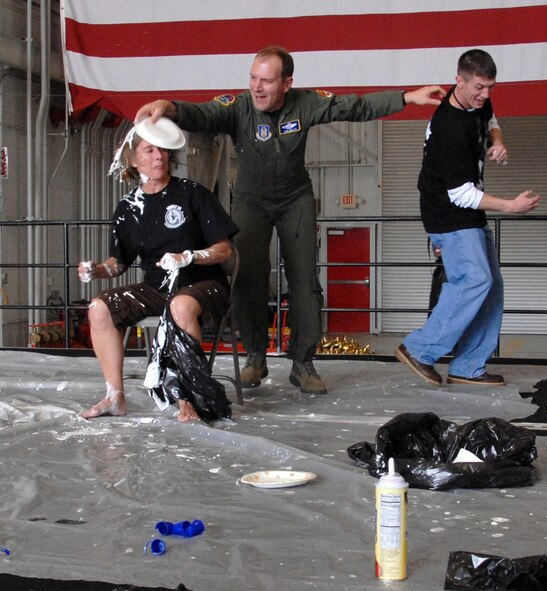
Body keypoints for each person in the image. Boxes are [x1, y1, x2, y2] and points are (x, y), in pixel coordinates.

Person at [135, 46, 446, 395]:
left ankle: (303, 363)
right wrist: (170, 108)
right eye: (253, 78)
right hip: (250, 201)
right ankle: (255, 357)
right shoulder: (238, 108)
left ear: (287, 83)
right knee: (248, 275)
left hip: (295, 198)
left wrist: (406, 97)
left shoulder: (307, 103)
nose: (257, 87)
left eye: (266, 81)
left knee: (304, 278)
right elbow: (203, 115)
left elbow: (355, 106)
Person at [395, 49, 540, 387]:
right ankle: (420, 349)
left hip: (467, 213)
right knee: (474, 280)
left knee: (491, 286)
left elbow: (490, 120)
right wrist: (510, 206)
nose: (485, 94)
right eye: (478, 87)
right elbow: (460, 194)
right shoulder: (450, 126)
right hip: (448, 214)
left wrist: (497, 142)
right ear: (458, 80)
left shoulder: (476, 103)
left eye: (490, 87)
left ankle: (469, 365)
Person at [78, 121, 238, 422]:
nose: (159, 156)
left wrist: (189, 257)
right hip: (156, 286)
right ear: (134, 159)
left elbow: (224, 249)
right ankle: (115, 397)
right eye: (149, 150)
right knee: (99, 307)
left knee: (179, 305)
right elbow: (119, 263)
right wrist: (97, 270)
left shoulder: (193, 194)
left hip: (203, 283)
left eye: (163, 149)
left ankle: (187, 397)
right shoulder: (128, 206)